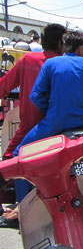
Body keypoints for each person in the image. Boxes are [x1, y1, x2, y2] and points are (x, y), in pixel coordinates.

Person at [12, 31, 83, 206]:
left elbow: (35, 96)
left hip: (53, 124)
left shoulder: (51, 64)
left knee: (19, 156)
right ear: (82, 48)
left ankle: (22, 206)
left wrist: (52, 110)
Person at [0, 24, 66, 229]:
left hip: (29, 129)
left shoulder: (28, 60)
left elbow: (4, 86)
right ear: (60, 43)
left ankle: (23, 208)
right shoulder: (66, 64)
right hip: (60, 130)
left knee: (11, 161)